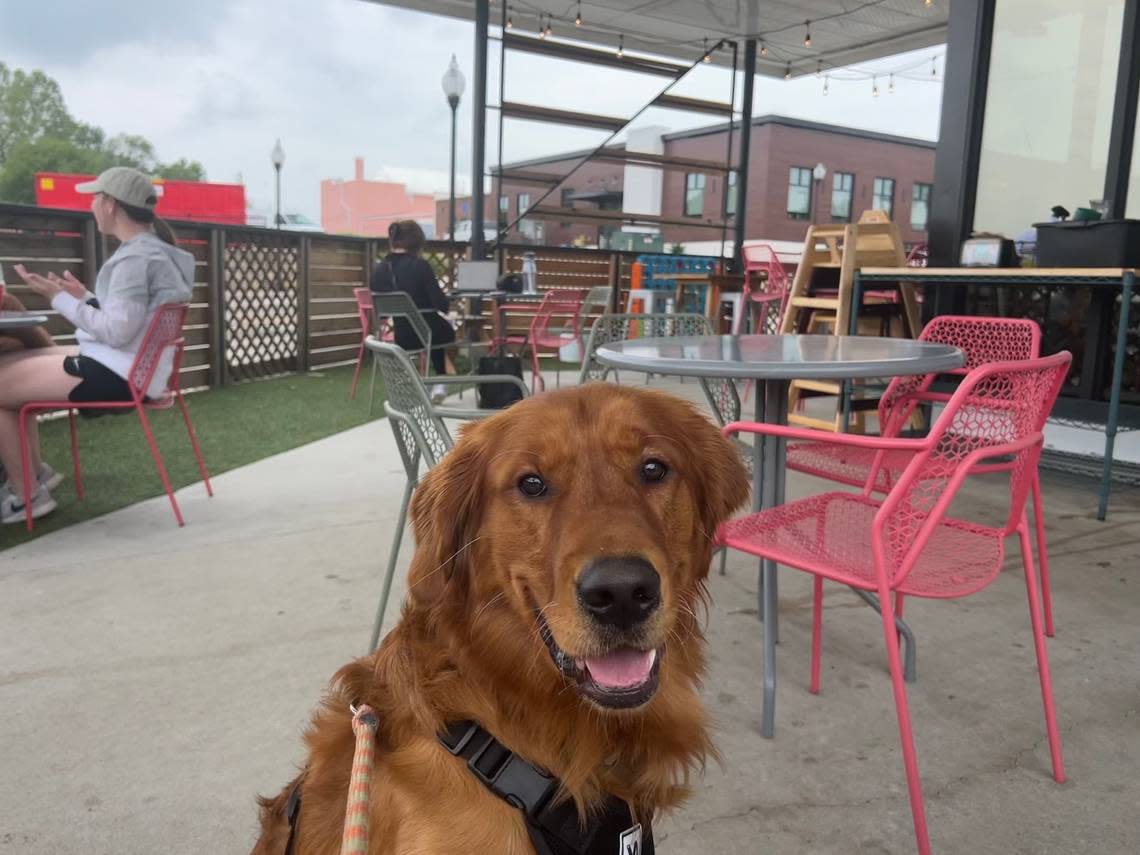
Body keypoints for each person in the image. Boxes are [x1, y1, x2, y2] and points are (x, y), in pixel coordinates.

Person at [0, 166, 194, 524]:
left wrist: (60, 298)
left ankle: (24, 497)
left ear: (110, 204)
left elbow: (118, 332)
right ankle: (34, 474)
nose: (90, 205)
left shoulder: (135, 259)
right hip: (137, 370)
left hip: (119, 373)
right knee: (23, 360)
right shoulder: (159, 252)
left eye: (94, 198)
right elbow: (132, 322)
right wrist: (84, 297)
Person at [369, 220, 456, 403]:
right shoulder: (420, 266)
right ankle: (440, 380)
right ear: (417, 243)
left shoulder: (379, 269)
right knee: (439, 330)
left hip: (402, 336)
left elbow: (382, 313)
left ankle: (428, 382)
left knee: (429, 330)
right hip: (427, 333)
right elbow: (440, 304)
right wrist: (449, 301)